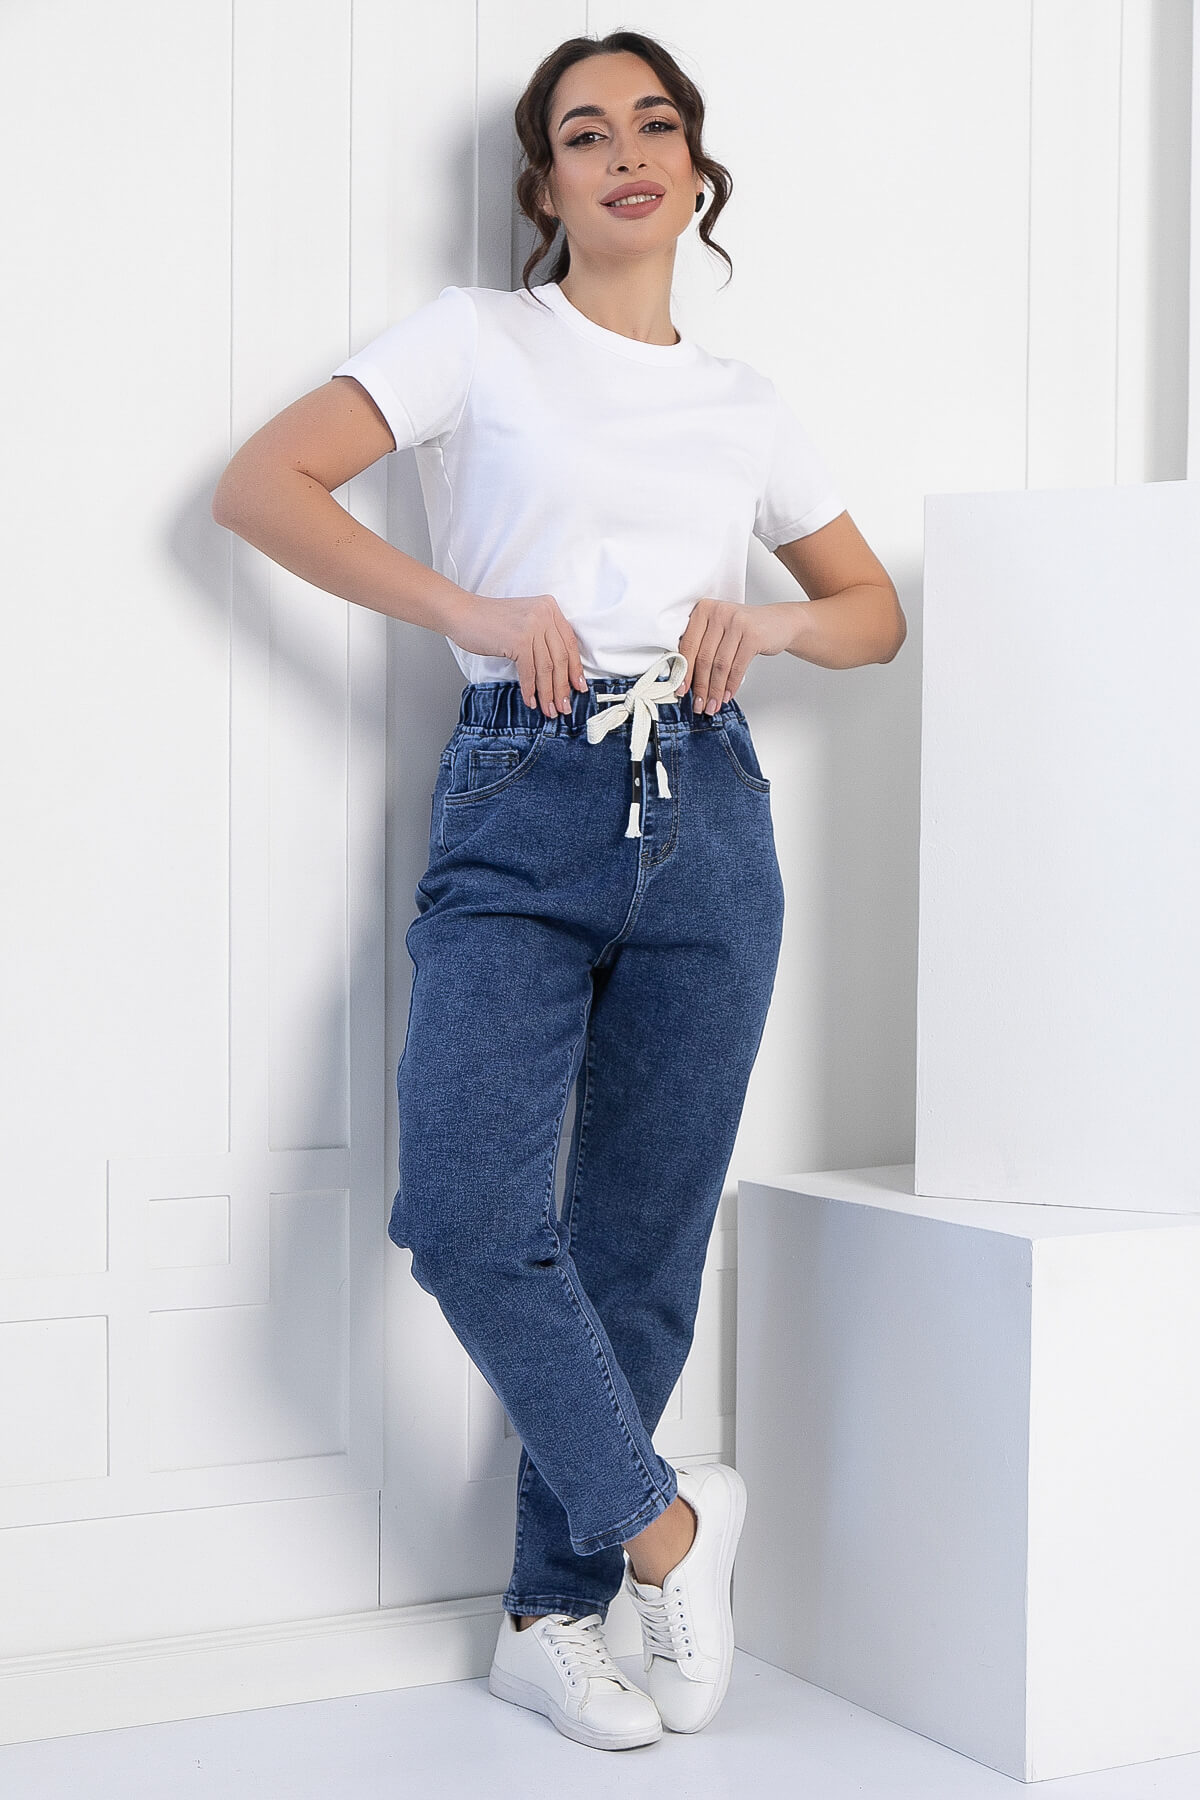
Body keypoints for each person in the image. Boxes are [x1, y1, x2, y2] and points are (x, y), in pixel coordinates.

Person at [212, 26, 904, 1757]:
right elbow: (261, 485)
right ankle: (666, 1529)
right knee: (467, 1218)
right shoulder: (478, 338)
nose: (625, 152)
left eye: (653, 124)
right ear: (546, 184)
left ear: (696, 167)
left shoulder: (745, 405)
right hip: (521, 793)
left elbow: (873, 614)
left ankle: (550, 1615)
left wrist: (772, 623)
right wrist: (466, 609)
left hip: (711, 810)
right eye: (585, 133)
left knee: (639, 1249)